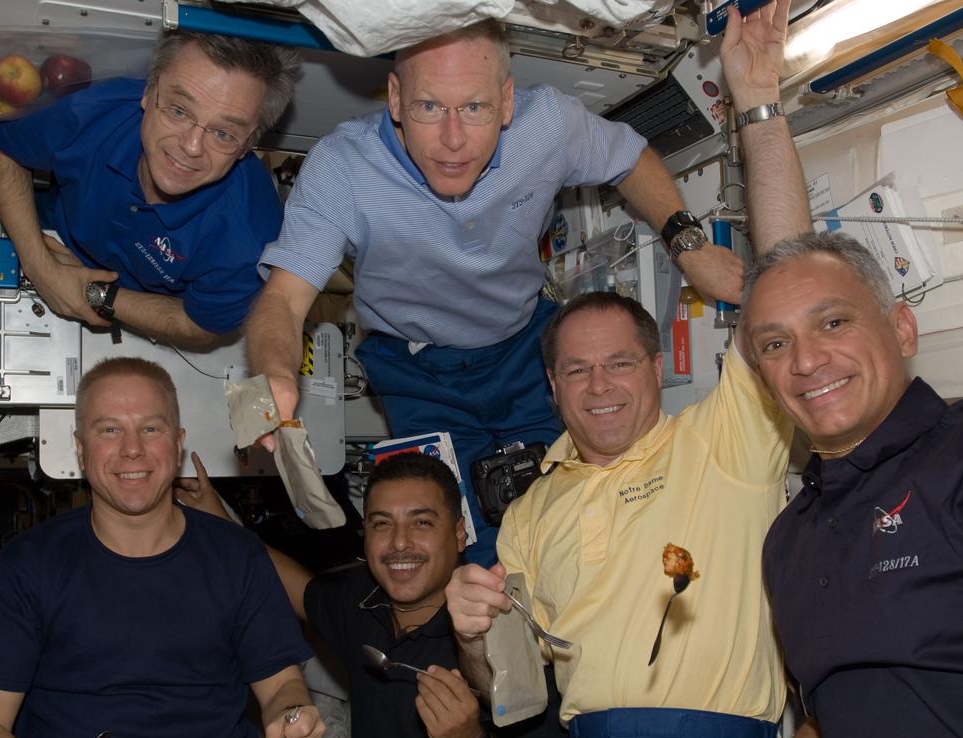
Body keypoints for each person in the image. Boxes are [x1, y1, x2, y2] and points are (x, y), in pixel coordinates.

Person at [662, 0, 963, 738]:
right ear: (760, 373)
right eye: (775, 344)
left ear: (903, 330)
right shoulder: (792, 541)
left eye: (836, 324)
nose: (807, 359)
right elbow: (854, 727)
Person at [247, 19, 745, 564]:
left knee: (580, 516)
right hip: (416, 372)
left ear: (507, 102)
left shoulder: (547, 126)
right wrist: (274, 371)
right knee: (472, 554)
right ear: (394, 99)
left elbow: (629, 157)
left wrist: (691, 249)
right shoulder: (342, 168)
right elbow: (283, 299)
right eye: (429, 108)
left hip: (524, 348)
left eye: (476, 108)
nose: (454, 140)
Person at [0, 357, 323, 738]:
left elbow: (282, 687)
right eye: (109, 430)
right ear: (81, 450)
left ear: (179, 442)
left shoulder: (237, 555)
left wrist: (293, 721)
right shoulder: (29, 564)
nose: (132, 449)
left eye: (151, 428)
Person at [177, 450, 567, 738]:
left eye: (421, 522)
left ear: (459, 533)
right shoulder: (361, 602)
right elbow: (287, 584)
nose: (399, 543)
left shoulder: (505, 626)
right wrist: (217, 516)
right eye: (382, 524)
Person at [0, 32, 300, 348]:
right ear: (148, 92)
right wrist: (41, 267)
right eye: (179, 111)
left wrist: (96, 295)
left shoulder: (251, 241)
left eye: (223, 133)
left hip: (134, 307)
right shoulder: (92, 110)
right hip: (51, 229)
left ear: (248, 145)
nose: (190, 147)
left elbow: (204, 325)